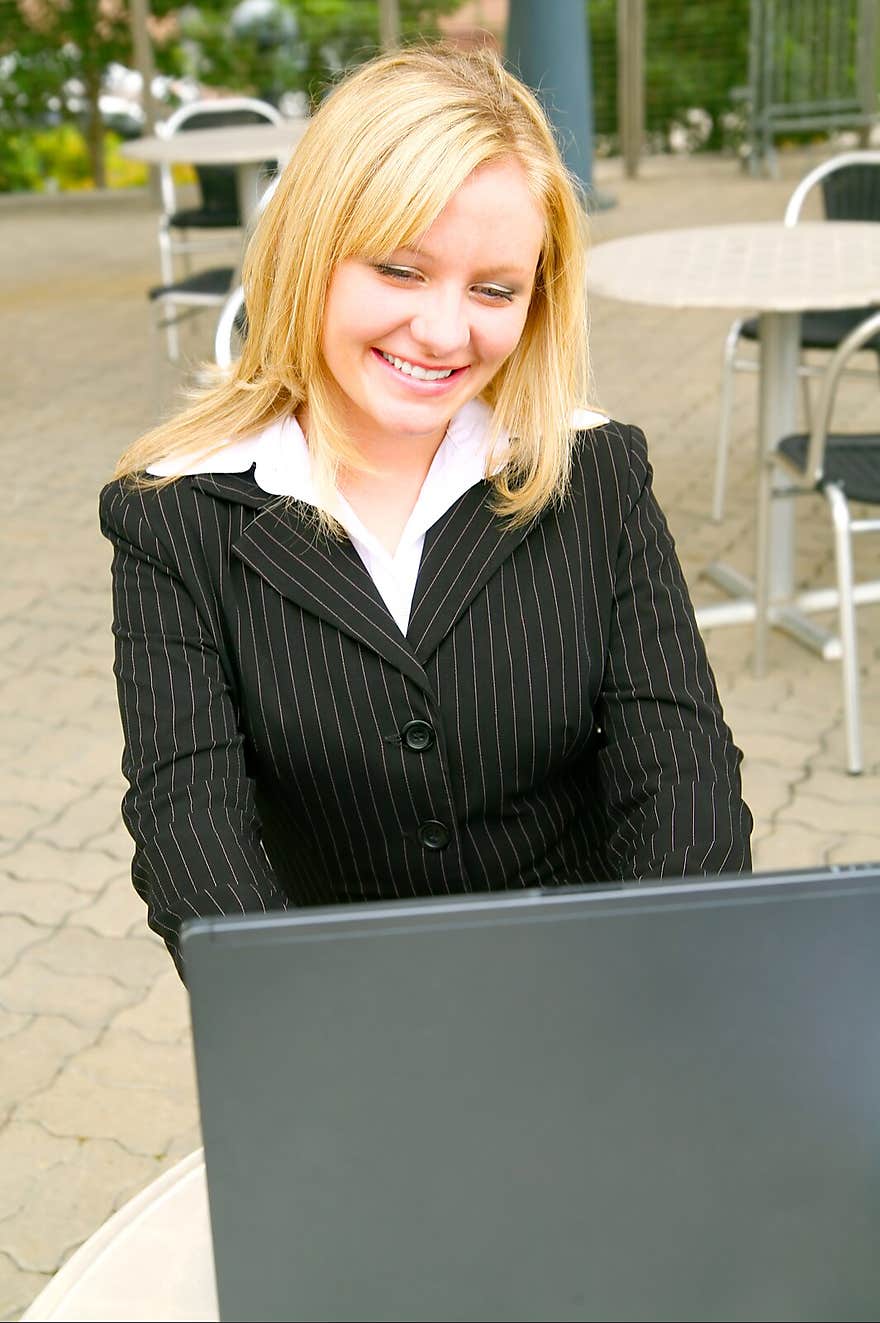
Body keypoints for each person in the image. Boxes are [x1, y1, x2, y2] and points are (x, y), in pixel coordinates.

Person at [100, 43, 752, 982]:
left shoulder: (595, 469)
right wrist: (295, 1021)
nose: (447, 333)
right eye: (401, 272)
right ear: (310, 253)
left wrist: (676, 982)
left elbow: (679, 769)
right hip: (334, 1006)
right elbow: (190, 824)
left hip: (598, 983)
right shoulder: (174, 513)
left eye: (495, 289)